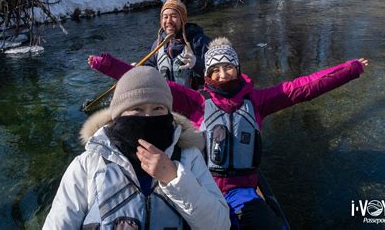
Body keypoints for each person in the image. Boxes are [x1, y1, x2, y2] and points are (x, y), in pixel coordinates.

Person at [88, 37, 369, 229]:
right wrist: (108, 64)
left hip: (244, 190)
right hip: (202, 186)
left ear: (237, 69)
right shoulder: (195, 101)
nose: (222, 74)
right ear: (207, 75)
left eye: (228, 67)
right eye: (215, 69)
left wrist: (350, 69)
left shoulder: (259, 101)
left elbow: (304, 87)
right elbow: (148, 83)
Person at [43, 66, 230, 230]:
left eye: (157, 109)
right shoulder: (87, 164)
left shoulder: (189, 157)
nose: (147, 118)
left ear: (168, 114)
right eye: (137, 109)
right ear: (118, 115)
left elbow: (220, 225)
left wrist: (174, 178)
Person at [88, 0, 210, 89]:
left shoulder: (198, 41)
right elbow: (149, 69)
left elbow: (217, 74)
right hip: (166, 99)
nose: (169, 21)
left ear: (182, 20)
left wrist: (197, 65)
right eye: (165, 17)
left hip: (193, 102)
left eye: (174, 16)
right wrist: (134, 69)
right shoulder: (158, 44)